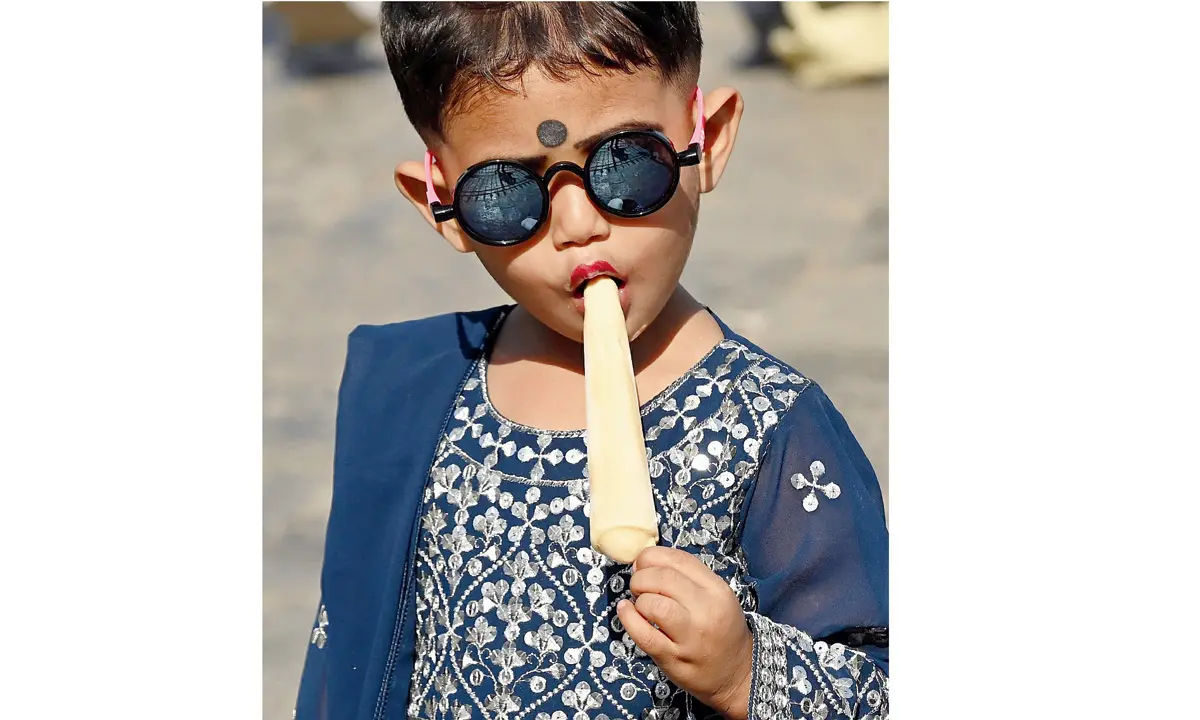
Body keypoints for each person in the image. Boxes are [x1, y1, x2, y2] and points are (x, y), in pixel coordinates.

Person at [292, 4, 888, 719]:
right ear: (439, 202)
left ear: (711, 140)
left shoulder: (767, 425)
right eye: (507, 192)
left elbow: (880, 680)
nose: (579, 225)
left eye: (626, 163)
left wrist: (745, 671)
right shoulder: (419, 392)